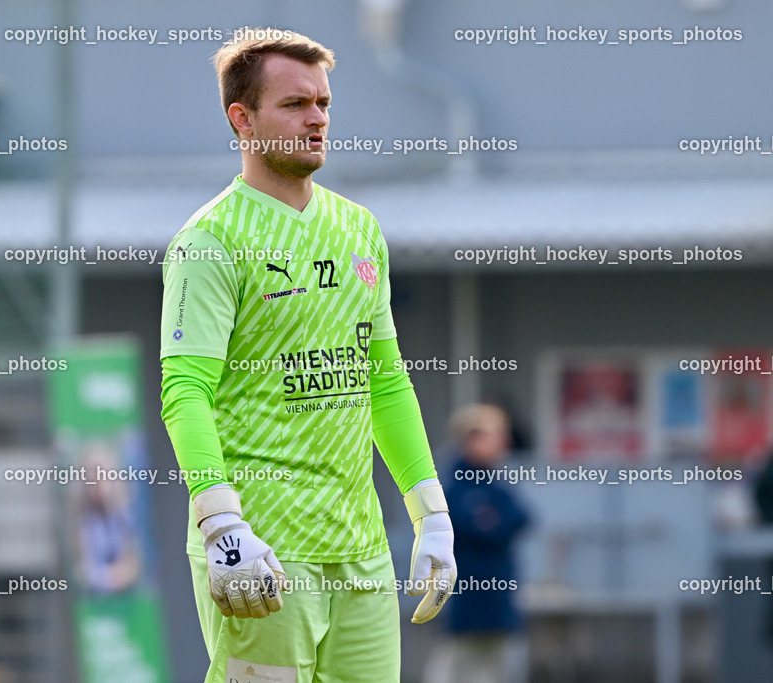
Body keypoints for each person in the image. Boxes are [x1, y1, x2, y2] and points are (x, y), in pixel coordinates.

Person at [159, 27, 456, 683]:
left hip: (359, 548)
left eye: (322, 102)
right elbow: (185, 392)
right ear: (243, 118)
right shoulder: (209, 240)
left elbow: (384, 381)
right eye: (294, 104)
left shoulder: (358, 227)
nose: (317, 118)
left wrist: (430, 515)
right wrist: (221, 523)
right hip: (262, 545)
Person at [427, 404, 531, 683]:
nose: (500, 442)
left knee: (493, 667)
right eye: (492, 434)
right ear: (470, 438)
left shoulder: (498, 485)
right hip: (460, 595)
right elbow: (471, 526)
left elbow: (519, 519)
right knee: (452, 662)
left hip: (497, 596)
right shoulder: (452, 486)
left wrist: (492, 524)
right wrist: (490, 525)